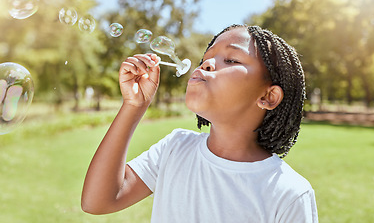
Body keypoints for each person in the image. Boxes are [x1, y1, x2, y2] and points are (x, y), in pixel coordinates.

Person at [81, 24, 318, 222]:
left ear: (268, 97)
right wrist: (134, 106)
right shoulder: (175, 148)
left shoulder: (290, 193)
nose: (206, 64)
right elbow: (97, 201)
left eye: (231, 59)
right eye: (205, 58)